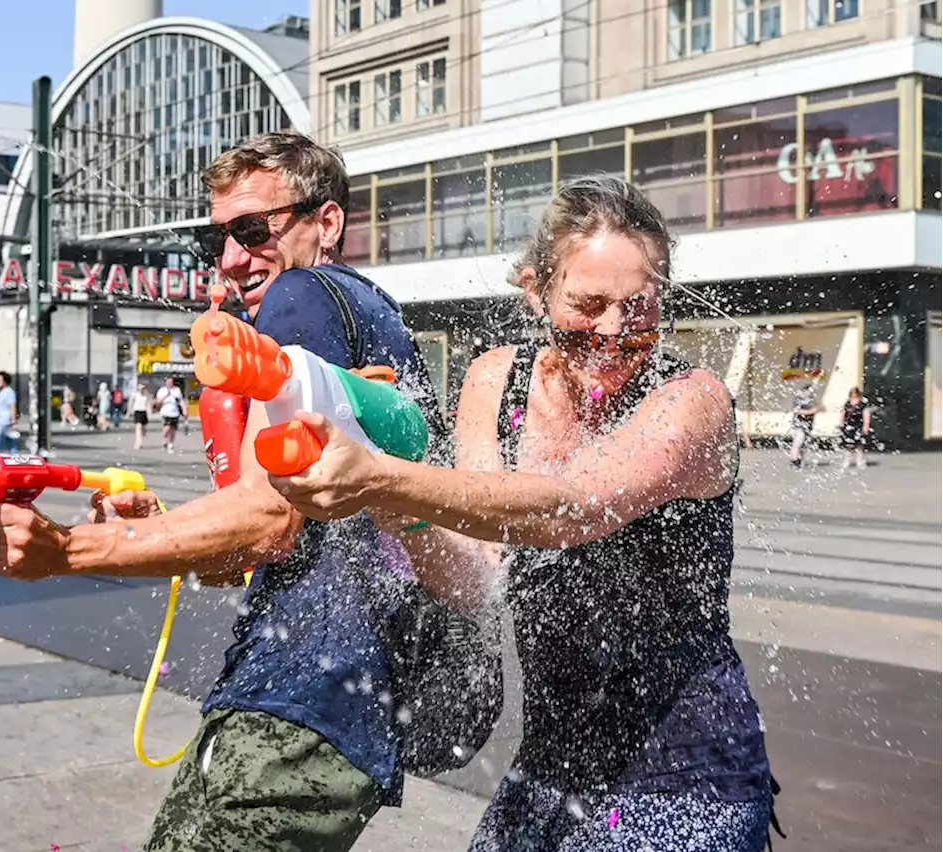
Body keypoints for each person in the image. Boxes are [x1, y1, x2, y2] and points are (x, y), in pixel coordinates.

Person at [266, 176, 777, 852]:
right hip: (549, 770)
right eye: (589, 304)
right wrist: (399, 511)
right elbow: (476, 576)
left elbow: (572, 509)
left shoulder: (693, 400)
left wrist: (389, 479)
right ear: (537, 290)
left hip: (686, 781)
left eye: (640, 308)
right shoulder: (494, 380)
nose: (615, 333)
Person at [0, 130, 447, 851]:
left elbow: (265, 524)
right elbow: (271, 542)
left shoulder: (302, 295)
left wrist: (70, 548)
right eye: (216, 238)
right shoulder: (368, 309)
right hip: (335, 708)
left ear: (326, 223)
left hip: (298, 700)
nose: (229, 259)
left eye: (252, 230)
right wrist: (166, 524)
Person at [788, 381, 821, 468]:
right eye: (810, 391)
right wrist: (810, 411)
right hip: (799, 425)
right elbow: (796, 410)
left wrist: (817, 409)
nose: (811, 393)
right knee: (798, 442)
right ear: (805, 390)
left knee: (804, 444)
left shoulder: (812, 399)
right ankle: (794, 460)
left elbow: (816, 409)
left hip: (808, 425)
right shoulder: (799, 398)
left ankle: (801, 461)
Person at [840, 386, 872, 469]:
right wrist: (841, 423)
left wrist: (866, 426)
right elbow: (843, 414)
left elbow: (866, 415)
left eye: (855, 394)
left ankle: (860, 461)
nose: (854, 396)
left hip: (858, 426)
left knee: (859, 445)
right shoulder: (847, 404)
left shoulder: (862, 405)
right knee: (848, 445)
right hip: (848, 426)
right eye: (852, 394)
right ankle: (847, 461)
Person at [155, 376, 185, 453]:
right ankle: (165, 440)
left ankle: (171, 444)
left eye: (171, 382)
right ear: (166, 382)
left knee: (173, 429)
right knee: (167, 428)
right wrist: (166, 396)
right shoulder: (162, 390)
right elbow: (158, 402)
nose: (170, 383)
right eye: (168, 381)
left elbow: (181, 401)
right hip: (165, 412)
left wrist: (184, 410)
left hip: (175, 412)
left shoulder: (177, 390)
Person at [129, 383, 151, 450]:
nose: (141, 390)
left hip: (144, 412)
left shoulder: (146, 396)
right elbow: (131, 403)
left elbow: (148, 404)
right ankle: (138, 443)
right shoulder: (134, 395)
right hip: (137, 411)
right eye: (140, 388)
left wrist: (149, 413)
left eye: (143, 388)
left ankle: (144, 432)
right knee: (138, 427)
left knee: (143, 428)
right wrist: (129, 411)